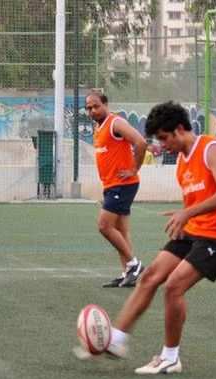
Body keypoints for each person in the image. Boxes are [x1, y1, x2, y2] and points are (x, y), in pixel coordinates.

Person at [75, 101, 216, 374]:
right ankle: (115, 340)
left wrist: (187, 213)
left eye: (165, 138)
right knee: (151, 276)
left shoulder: (212, 148)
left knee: (174, 286)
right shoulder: (181, 160)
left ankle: (170, 357)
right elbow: (197, 196)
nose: (163, 145)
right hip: (195, 229)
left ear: (179, 130)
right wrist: (185, 219)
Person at [85, 92, 146, 288]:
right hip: (112, 185)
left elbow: (140, 142)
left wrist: (134, 169)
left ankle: (134, 265)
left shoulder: (115, 123)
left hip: (123, 184)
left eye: (95, 106)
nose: (92, 111)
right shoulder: (98, 128)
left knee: (104, 226)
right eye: (88, 108)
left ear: (105, 105)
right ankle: (128, 273)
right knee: (121, 230)